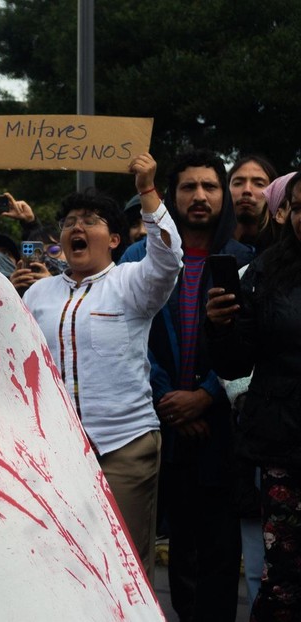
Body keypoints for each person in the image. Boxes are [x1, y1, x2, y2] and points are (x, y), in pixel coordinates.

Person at [23, 154, 182, 580]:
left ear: (113, 239)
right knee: (63, 567)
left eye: (90, 220)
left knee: (122, 570)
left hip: (124, 447)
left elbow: (168, 260)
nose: (77, 226)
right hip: (55, 453)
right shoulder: (37, 294)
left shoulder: (132, 281)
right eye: (70, 220)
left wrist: (148, 191)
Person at [119, 148, 254, 621]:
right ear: (172, 196)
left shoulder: (246, 260)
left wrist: (205, 397)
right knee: (173, 556)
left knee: (219, 551)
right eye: (188, 187)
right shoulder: (139, 258)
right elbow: (127, 337)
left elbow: (253, 345)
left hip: (222, 429)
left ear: (225, 196)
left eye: (210, 186)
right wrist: (167, 399)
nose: (199, 196)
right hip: (157, 426)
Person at [206, 170, 301, 621]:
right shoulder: (266, 270)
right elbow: (233, 365)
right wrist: (221, 326)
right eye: (299, 208)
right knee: (283, 578)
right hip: (284, 445)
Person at [229, 155, 278, 254]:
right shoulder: (208, 243)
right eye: (238, 183)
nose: (247, 190)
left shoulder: (284, 249)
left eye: (259, 184)